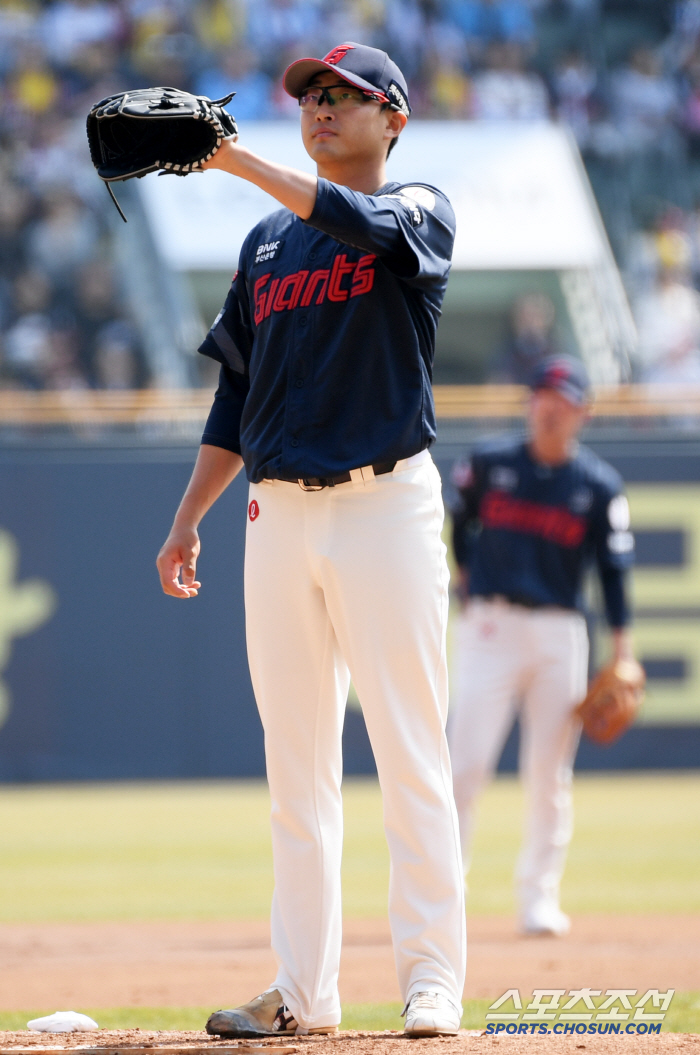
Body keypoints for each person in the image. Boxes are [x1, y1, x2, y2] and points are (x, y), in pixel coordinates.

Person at [156, 42, 466, 1038]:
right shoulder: (263, 248)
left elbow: (359, 222)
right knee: (297, 770)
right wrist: (188, 514)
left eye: (345, 97)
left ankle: (431, 979)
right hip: (277, 516)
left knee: (411, 755)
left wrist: (239, 161)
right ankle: (303, 991)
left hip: (386, 507)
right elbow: (235, 393)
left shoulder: (417, 206)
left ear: (394, 119)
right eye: (311, 97)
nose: (323, 108)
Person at [448, 356, 635, 937]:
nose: (550, 408)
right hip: (491, 626)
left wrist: (622, 651)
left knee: (549, 773)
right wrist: (462, 580)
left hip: (560, 633)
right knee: (464, 766)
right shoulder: (490, 462)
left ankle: (538, 899)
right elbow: (460, 524)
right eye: (542, 396)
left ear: (582, 411)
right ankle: (443, 895)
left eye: (563, 399)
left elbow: (613, 572)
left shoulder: (599, 485)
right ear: (531, 403)